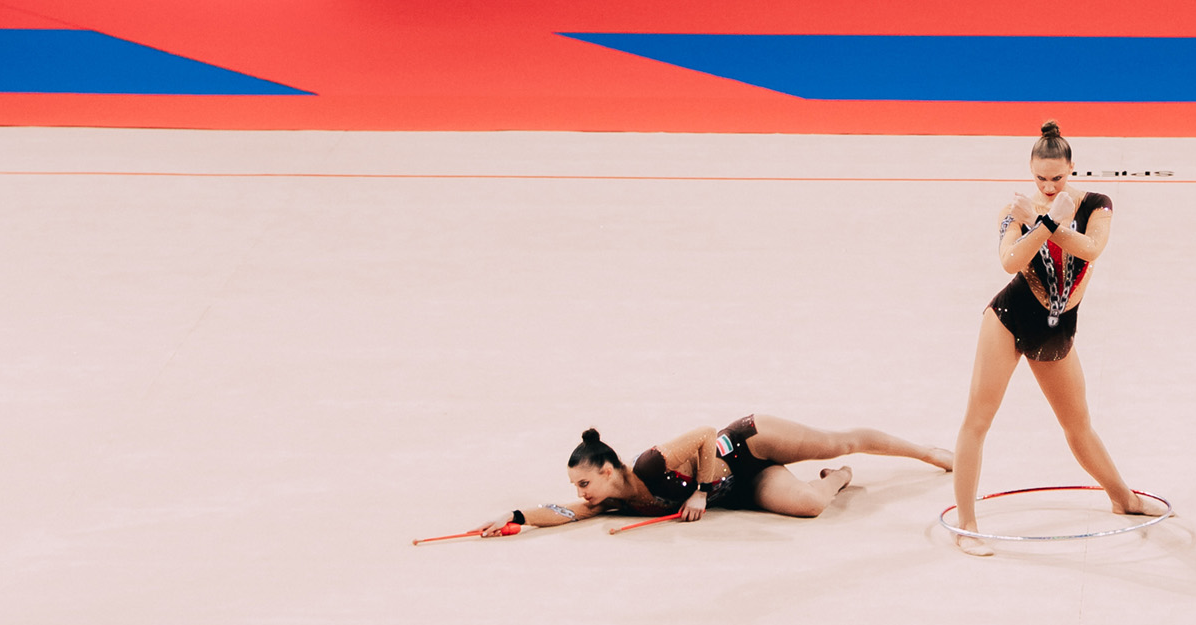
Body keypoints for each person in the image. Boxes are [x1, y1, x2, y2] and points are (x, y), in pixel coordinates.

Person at [948, 120, 1161, 555]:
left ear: (1072, 168)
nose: (1048, 187)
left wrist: (1047, 222)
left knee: (1077, 425)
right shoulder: (1016, 210)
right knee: (978, 420)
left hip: (1056, 328)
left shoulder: (1097, 204)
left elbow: (1091, 249)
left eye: (1057, 178)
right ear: (1031, 171)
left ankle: (1123, 498)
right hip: (1009, 320)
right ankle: (966, 524)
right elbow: (1010, 262)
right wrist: (1041, 222)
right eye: (1040, 179)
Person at [478, 415, 952, 533]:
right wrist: (515, 517)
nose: (581, 493)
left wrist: (702, 492)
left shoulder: (649, 465)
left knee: (837, 440)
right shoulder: (612, 501)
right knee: (810, 505)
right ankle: (839, 478)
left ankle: (926, 452)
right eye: (576, 488)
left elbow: (706, 434)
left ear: (606, 470)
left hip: (749, 444)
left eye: (584, 483)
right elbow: (561, 512)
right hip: (746, 485)